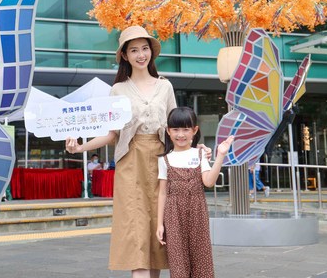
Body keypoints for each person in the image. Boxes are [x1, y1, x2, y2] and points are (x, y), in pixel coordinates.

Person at [66, 25, 211, 278]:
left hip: (162, 163)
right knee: (136, 229)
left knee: (160, 227)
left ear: (151, 53)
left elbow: (176, 127)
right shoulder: (118, 90)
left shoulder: (164, 86)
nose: (141, 54)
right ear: (124, 55)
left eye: (144, 48)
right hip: (130, 164)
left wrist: (196, 148)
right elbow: (112, 134)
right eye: (134, 50)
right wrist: (81, 146)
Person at [156, 107, 233, 278]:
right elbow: (162, 193)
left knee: (201, 255)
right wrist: (159, 224)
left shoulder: (199, 154)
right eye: (175, 129)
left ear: (194, 130)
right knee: (177, 259)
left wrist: (220, 155)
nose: (180, 134)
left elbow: (209, 181)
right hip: (173, 214)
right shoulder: (164, 159)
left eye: (185, 129)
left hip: (197, 212)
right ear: (168, 131)